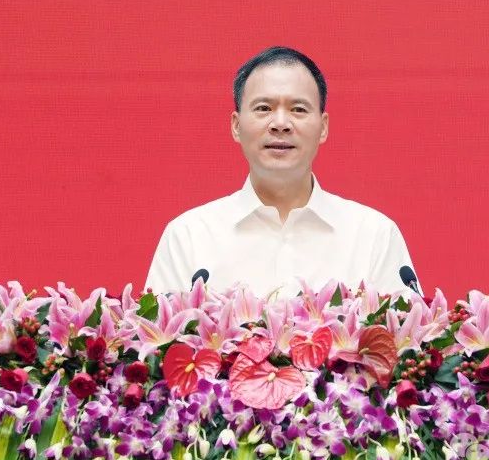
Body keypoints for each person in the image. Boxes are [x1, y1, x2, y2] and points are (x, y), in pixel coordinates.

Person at [144, 46, 419, 297]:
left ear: (323, 127)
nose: (280, 123)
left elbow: (406, 333)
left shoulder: (373, 235)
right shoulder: (189, 237)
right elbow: (155, 335)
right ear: (236, 126)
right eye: (263, 108)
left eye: (298, 109)